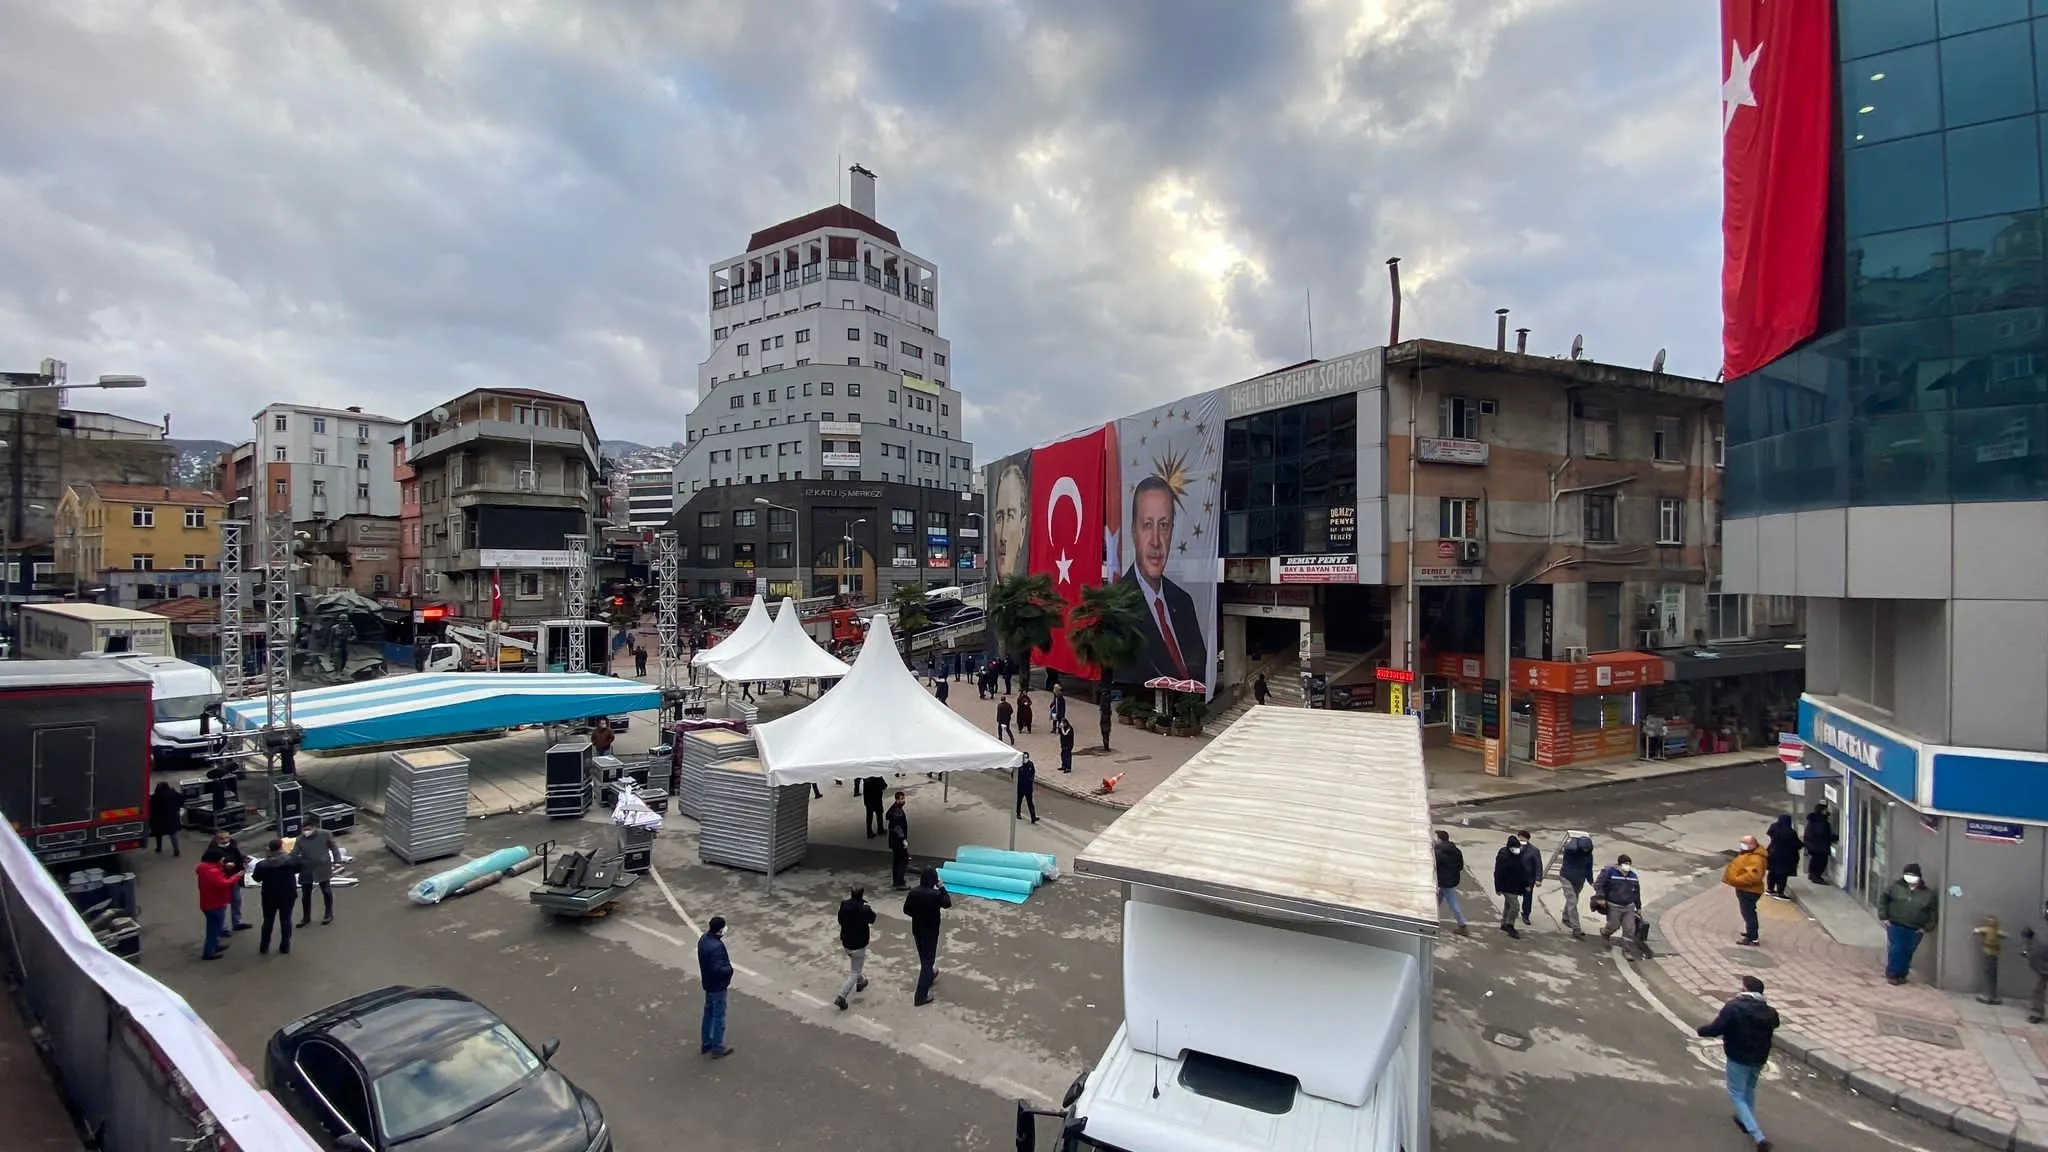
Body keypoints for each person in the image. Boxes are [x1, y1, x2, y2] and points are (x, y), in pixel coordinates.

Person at [1120, 476, 1209, 684]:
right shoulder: (1119, 605)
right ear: (1134, 531)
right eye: (1147, 525)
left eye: (1164, 525)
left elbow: (1199, 666)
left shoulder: (1183, 601)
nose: (1156, 541)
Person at [1696, 974, 1780, 1152]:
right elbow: (1776, 1024)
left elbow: (1716, 1028)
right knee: (1749, 1089)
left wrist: (1702, 1031)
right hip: (1759, 1058)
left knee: (1736, 1093)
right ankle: (1744, 1119)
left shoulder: (1733, 1008)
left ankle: (1758, 1136)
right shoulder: (1770, 1012)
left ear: (1744, 990)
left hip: (1738, 1057)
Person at [1878, 863, 1938, 985]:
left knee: (1907, 951)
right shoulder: (1895, 887)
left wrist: (1926, 928)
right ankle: (1893, 974)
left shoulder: (1928, 894)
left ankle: (1902, 974)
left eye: (1913, 875)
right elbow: (1883, 900)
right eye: (1908, 874)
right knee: (1897, 949)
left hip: (1915, 928)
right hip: (1896, 924)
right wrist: (1884, 917)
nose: (1910, 877)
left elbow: (1933, 913)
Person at [903, 870, 953, 1006]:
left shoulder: (913, 893)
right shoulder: (935, 894)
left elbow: (906, 910)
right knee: (928, 961)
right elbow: (948, 903)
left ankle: (928, 976)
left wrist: (918, 915)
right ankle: (920, 995)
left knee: (924, 956)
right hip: (931, 931)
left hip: (918, 929)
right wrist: (942, 887)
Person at [251, 838, 302, 956]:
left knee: (268, 920)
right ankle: (285, 946)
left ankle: (264, 946)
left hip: (269, 894)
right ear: (281, 847)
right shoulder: (291, 861)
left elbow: (256, 878)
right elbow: (299, 868)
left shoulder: (262, 864)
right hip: (287, 893)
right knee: (286, 919)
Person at [1594, 854, 1646, 960]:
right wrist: (1601, 898)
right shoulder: (1610, 873)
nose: (1627, 866)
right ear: (1620, 864)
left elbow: (1636, 892)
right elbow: (1599, 885)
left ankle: (1627, 951)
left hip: (1629, 907)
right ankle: (1605, 932)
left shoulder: (1633, 876)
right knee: (1614, 925)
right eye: (1625, 864)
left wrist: (1638, 907)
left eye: (1629, 864)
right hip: (1614, 905)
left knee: (1629, 930)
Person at [697, 916, 735, 1057]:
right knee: (719, 1016)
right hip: (718, 986)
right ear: (720, 930)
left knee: (708, 1014)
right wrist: (730, 970)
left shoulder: (704, 940)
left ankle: (706, 1042)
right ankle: (717, 1047)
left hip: (708, 983)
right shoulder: (717, 947)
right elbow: (718, 969)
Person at [200, 830, 252, 932]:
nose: (225, 840)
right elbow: (207, 863)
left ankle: (237, 922)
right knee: (221, 904)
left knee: (236, 900)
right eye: (222, 838)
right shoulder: (212, 850)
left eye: (226, 837)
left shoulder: (233, 845)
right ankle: (221, 928)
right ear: (216, 839)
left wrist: (243, 860)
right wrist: (223, 865)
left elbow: (237, 856)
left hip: (234, 877)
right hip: (221, 878)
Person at [834, 886, 875, 1011]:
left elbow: (840, 920)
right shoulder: (864, 908)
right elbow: (873, 919)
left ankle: (861, 982)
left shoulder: (844, 905)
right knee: (854, 972)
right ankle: (841, 996)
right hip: (859, 945)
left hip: (846, 942)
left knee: (856, 966)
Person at [294, 822, 343, 926]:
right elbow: (294, 853)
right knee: (305, 894)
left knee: (326, 891)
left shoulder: (325, 834)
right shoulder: (299, 839)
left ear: (314, 827)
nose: (306, 831)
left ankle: (328, 913)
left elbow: (334, 848)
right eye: (304, 829)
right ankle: (306, 917)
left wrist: (337, 861)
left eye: (308, 829)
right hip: (306, 869)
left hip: (322, 867)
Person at [1723, 835, 1768, 946]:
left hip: (1749, 891)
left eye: (1744, 843)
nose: (1742, 845)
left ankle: (1753, 938)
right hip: (1746, 889)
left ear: (1752, 844)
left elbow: (1753, 876)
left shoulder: (1756, 859)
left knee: (1749, 914)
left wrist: (1736, 880)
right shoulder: (1750, 854)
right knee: (1747, 913)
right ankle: (1750, 933)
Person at [195, 856, 238, 960]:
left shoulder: (204, 868)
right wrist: (236, 876)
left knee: (215, 927)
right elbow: (224, 883)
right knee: (213, 929)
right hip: (215, 904)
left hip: (209, 903)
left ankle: (215, 945)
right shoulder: (213, 872)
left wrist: (223, 866)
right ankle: (209, 952)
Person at [1558, 831, 1595, 940]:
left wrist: (1591, 881)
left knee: (1572, 901)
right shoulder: (1571, 851)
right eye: (1584, 848)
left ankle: (1566, 918)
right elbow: (1567, 847)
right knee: (1572, 901)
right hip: (1566, 877)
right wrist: (1575, 841)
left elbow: (1589, 869)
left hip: (1580, 880)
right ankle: (1576, 928)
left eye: (1587, 849)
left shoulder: (1589, 855)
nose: (1585, 850)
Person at [1433, 830, 1469, 936]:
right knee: (1437, 898)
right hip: (1452, 879)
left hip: (1443, 881)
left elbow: (1435, 867)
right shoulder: (1456, 850)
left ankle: (1462, 925)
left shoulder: (1438, 852)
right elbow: (1460, 866)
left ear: (1439, 839)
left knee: (1452, 901)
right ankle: (1433, 915)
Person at [1493, 834, 1529, 939]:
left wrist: (1526, 883)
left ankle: (1504, 923)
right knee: (1515, 906)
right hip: (1506, 886)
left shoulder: (1518, 855)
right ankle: (1510, 925)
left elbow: (1522, 870)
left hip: (1515, 885)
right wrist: (1498, 887)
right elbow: (1498, 873)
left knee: (1508, 906)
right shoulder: (1503, 856)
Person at [1763, 814, 1802, 900]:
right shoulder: (1790, 832)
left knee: (1772, 872)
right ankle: (1780, 893)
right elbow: (1796, 844)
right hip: (1786, 856)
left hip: (1772, 853)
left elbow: (1769, 833)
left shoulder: (1774, 827)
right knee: (1782, 875)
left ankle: (1770, 889)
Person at [1802, 802, 1836, 884]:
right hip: (1819, 847)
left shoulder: (1814, 820)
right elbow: (1823, 835)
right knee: (1820, 862)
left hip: (1813, 845)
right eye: (1825, 810)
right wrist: (1833, 838)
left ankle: (1813, 875)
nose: (1827, 811)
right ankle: (1816, 876)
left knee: (1815, 861)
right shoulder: (1821, 822)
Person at [1516, 830, 1543, 928]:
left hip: (1528, 878)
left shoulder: (1534, 850)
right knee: (1512, 895)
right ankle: (1513, 911)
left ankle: (1526, 914)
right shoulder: (1514, 847)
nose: (1520, 839)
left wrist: (1538, 878)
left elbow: (1538, 865)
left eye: (1522, 838)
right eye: (1519, 837)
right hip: (1516, 876)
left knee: (1527, 897)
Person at [148, 781, 183, 856]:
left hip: (159, 819)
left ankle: (159, 848)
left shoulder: (155, 797)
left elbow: (151, 808)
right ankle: (176, 849)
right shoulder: (173, 793)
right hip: (172, 817)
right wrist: (177, 808)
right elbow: (181, 800)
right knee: (173, 834)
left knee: (158, 834)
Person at [886, 792, 911, 889]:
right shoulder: (898, 812)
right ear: (897, 799)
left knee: (896, 860)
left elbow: (887, 816)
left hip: (893, 840)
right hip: (898, 840)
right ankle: (900, 882)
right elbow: (898, 827)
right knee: (903, 860)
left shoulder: (893, 808)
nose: (903, 801)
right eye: (901, 799)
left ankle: (896, 880)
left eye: (903, 798)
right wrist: (903, 839)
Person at [862, 775, 888, 839]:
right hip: (877, 798)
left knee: (869, 816)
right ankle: (880, 829)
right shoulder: (877, 776)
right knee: (879, 814)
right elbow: (884, 786)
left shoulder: (865, 777)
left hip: (868, 799)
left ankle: (869, 832)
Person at [1016, 754, 1039, 824]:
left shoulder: (1030, 764)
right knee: (1019, 801)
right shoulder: (1019, 765)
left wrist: (1031, 779)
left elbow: (1033, 772)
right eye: (1024, 758)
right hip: (1021, 787)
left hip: (1028, 787)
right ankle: (1018, 813)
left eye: (1026, 757)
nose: (1025, 759)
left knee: (1030, 803)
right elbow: (1013, 775)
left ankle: (1033, 817)